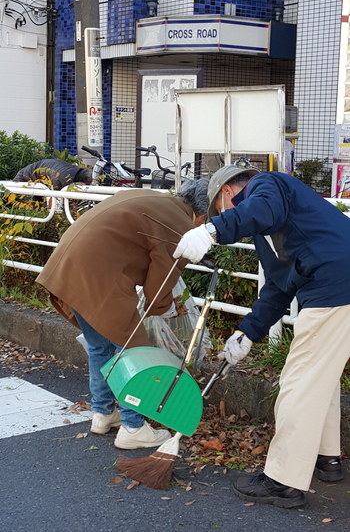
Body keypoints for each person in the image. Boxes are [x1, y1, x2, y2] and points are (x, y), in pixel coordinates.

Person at [173, 165, 350, 508]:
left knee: (299, 381)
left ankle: (283, 481)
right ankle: (326, 458)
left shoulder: (265, 186)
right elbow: (278, 289)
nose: (226, 216)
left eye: (221, 210)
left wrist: (212, 231)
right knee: (319, 377)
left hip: (334, 286)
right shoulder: (271, 225)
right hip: (337, 284)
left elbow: (259, 209)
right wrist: (246, 333)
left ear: (227, 193)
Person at [36, 180, 209, 449]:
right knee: (134, 350)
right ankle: (133, 426)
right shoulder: (182, 225)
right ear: (202, 216)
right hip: (100, 277)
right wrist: (169, 308)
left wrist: (163, 301)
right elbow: (160, 283)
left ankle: (103, 413)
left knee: (99, 347)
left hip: (70, 266)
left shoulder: (157, 199)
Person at [13, 159, 92, 190]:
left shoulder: (73, 172)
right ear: (83, 183)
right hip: (23, 180)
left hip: (34, 179)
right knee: (32, 210)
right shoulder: (62, 178)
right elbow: (56, 199)